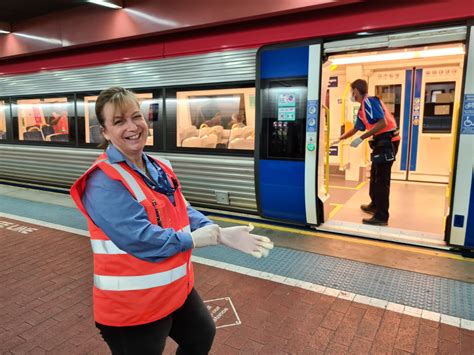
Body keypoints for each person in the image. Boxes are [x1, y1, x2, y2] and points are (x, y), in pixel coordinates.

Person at [70, 87, 273, 355]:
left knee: (201, 336)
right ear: (105, 132)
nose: (132, 127)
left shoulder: (159, 166)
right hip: (133, 307)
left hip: (175, 291)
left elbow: (181, 209)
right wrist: (194, 240)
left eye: (136, 117)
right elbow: (140, 239)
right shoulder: (103, 181)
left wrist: (217, 231)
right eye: (119, 121)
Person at [333, 79, 400, 226]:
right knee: (375, 175)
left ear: (356, 90)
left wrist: (362, 138)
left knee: (382, 180)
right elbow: (357, 128)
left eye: (352, 91)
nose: (352, 94)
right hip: (380, 142)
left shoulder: (369, 101)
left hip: (388, 141)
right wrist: (340, 139)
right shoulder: (362, 108)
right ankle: (374, 205)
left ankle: (382, 216)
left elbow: (381, 123)